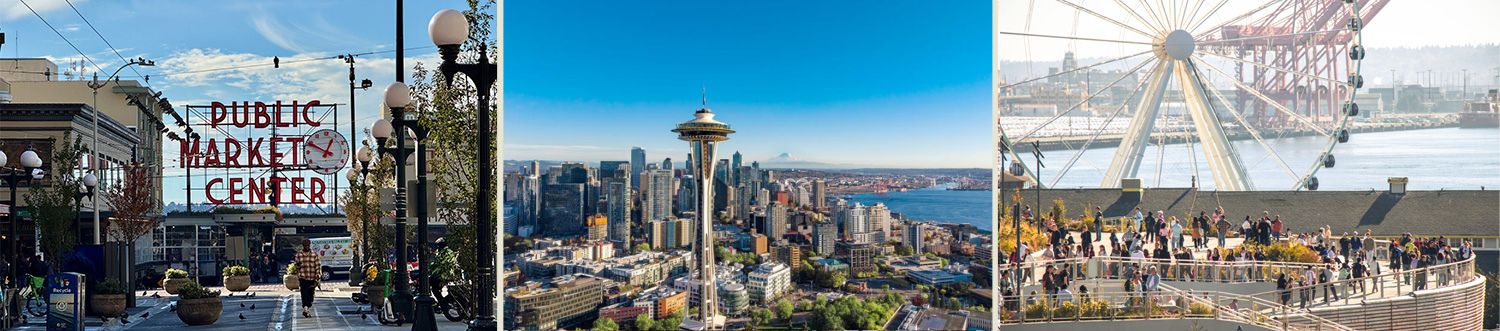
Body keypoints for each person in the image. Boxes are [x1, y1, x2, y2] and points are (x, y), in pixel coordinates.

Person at [295, 239, 322, 317]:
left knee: (310, 294)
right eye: (305, 245)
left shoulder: (314, 255)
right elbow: (296, 266)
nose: (307, 247)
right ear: (303, 246)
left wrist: (317, 274)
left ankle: (308, 306)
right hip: (303, 277)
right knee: (304, 293)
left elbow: (317, 265)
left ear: (309, 245)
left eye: (308, 245)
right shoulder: (299, 255)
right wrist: (298, 265)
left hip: (312, 277)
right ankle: (305, 308)